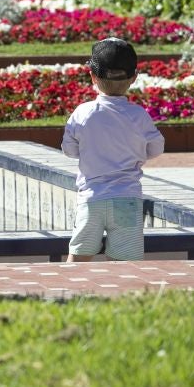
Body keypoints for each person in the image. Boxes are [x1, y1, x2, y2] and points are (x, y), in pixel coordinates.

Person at [61, 38, 165, 262]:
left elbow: (69, 149)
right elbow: (157, 148)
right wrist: (138, 152)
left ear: (93, 77)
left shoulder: (83, 112)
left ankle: (67, 294)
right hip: (127, 198)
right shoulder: (138, 115)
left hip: (91, 199)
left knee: (78, 258)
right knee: (125, 265)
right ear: (134, 78)